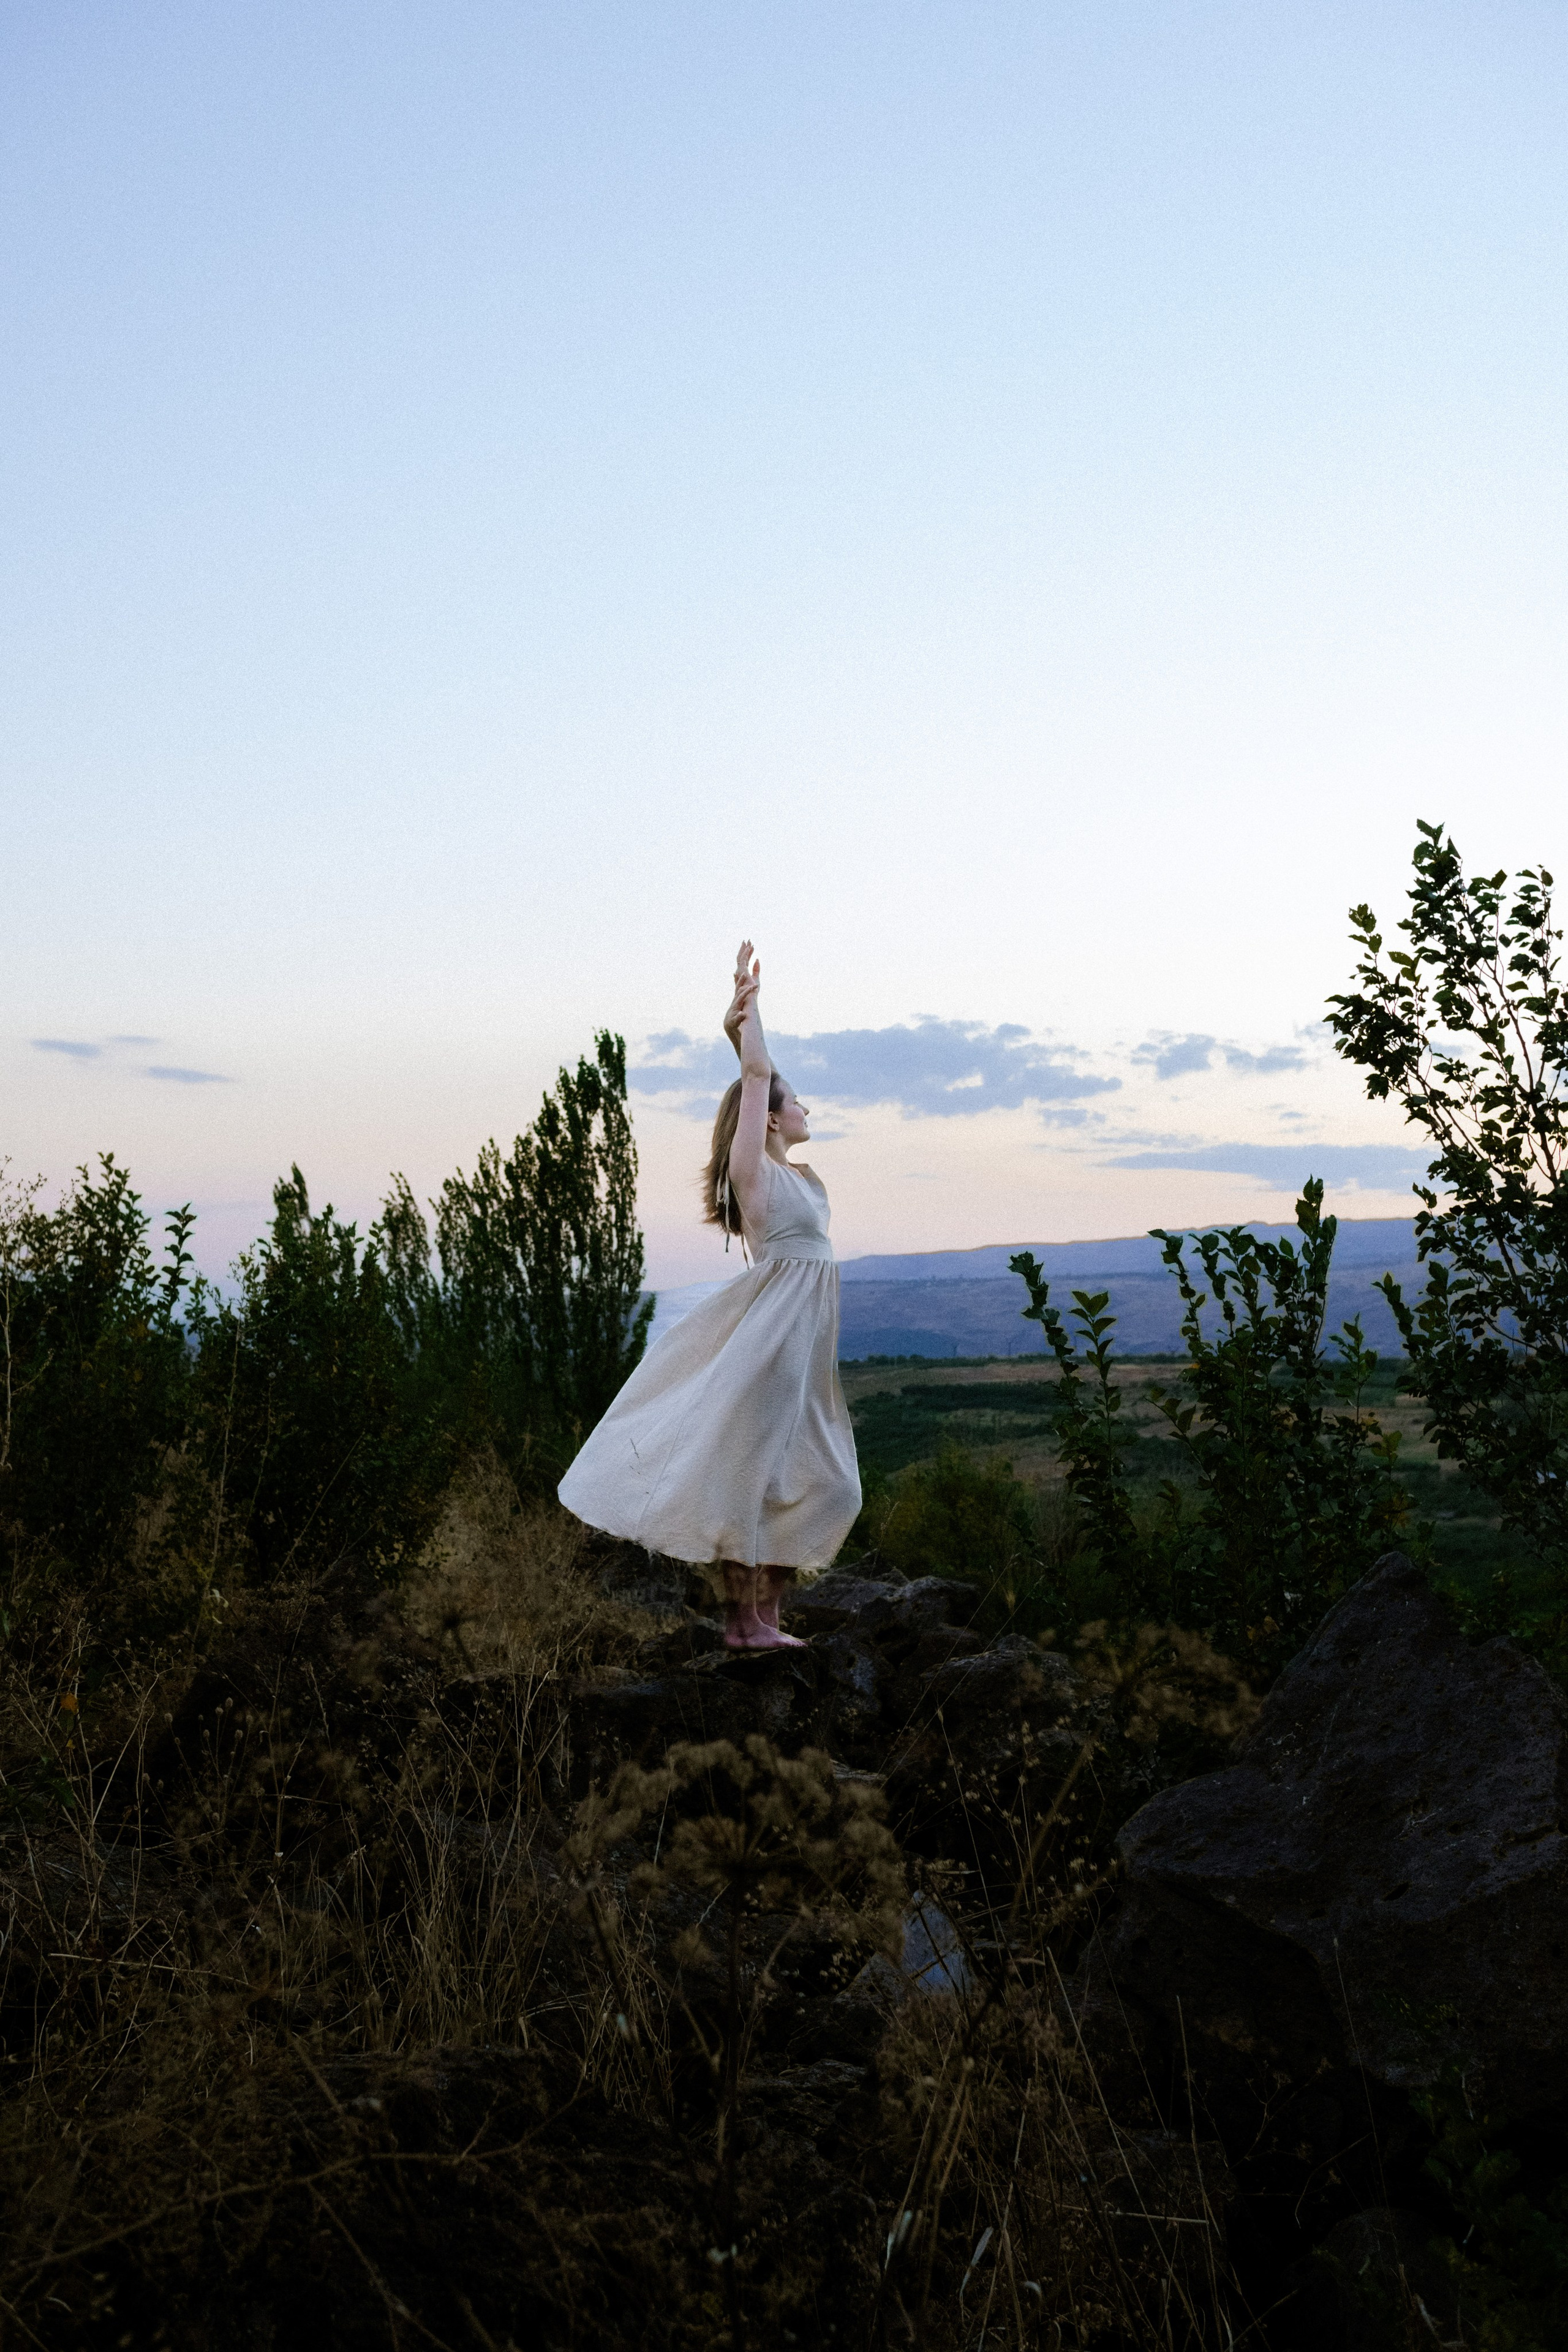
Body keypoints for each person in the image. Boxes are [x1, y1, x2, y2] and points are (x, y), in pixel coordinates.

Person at [557, 942, 861, 1648]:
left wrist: (739, 1030)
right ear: (770, 1117)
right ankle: (742, 1624)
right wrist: (746, 1016)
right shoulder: (752, 1174)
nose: (805, 1106)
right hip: (774, 1340)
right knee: (754, 1475)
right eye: (795, 1102)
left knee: (818, 1480)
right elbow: (758, 1073)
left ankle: (765, 1618)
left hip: (807, 1345)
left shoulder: (802, 1180)